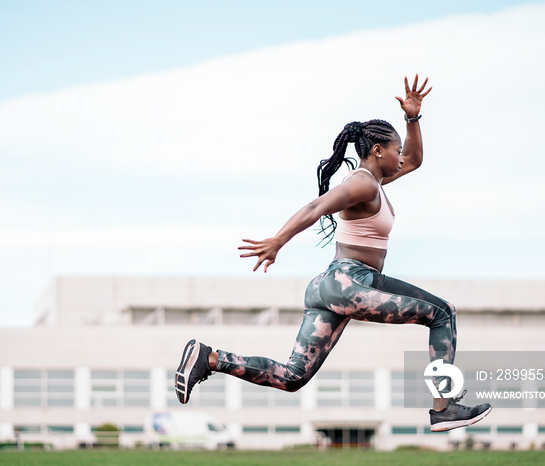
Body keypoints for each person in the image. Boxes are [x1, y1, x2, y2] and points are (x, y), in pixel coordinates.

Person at [174, 75, 491, 432]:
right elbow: (316, 206)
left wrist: (412, 119)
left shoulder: (376, 183)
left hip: (333, 286)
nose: (400, 156)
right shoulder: (362, 183)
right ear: (377, 151)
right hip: (349, 282)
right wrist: (278, 241)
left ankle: (210, 358)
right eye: (395, 150)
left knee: (293, 376)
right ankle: (443, 407)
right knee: (442, 313)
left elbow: (415, 160)